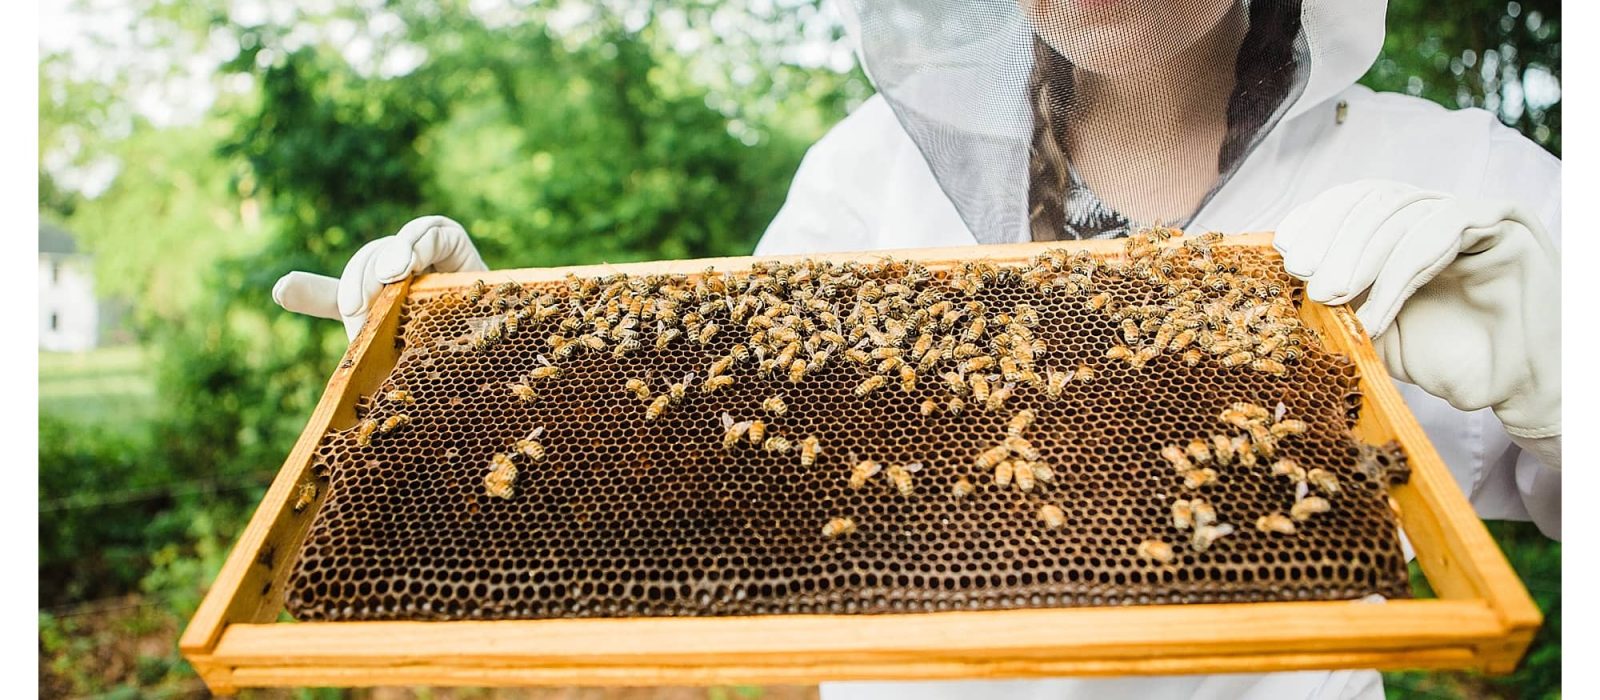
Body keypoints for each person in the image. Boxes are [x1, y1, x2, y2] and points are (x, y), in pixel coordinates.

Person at [271, 0, 1560, 696]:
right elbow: (726, 470)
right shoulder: (864, 171)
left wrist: (1574, 380)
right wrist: (490, 383)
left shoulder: (1460, 182)